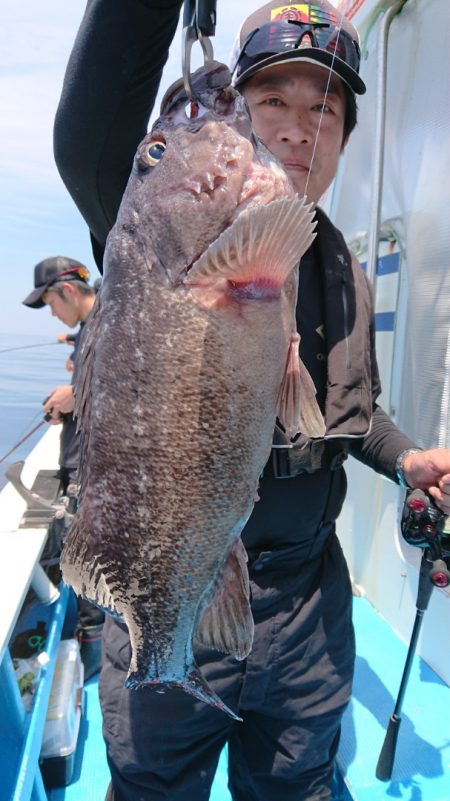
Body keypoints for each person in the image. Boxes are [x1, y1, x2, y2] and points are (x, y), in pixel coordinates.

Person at [52, 1, 450, 799]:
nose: (302, 127)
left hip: (305, 609)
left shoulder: (341, 270)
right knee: (150, 785)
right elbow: (91, 138)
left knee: (297, 784)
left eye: (325, 108)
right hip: (170, 585)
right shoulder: (154, 237)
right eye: (274, 100)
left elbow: (353, 412)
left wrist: (408, 458)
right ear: (234, 116)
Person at [22, 256, 105, 679]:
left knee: (90, 576)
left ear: (67, 291)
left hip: (93, 474)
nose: (52, 312)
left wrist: (75, 392)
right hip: (81, 466)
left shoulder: (107, 325)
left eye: (51, 303)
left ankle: (92, 664)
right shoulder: (91, 327)